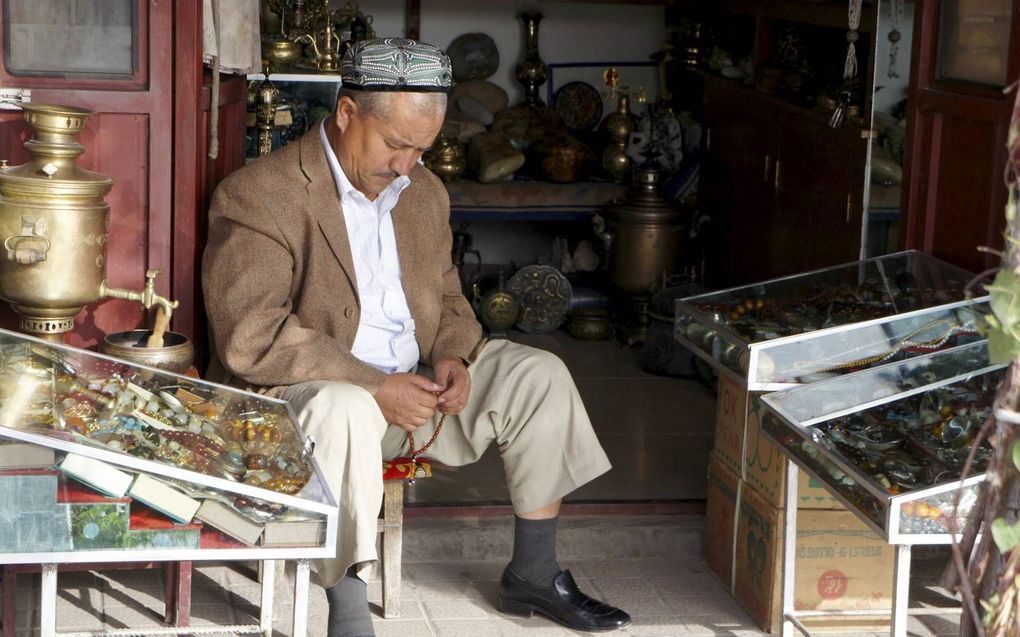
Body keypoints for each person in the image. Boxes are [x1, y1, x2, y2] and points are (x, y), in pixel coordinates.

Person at [202, 38, 630, 637]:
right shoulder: (260, 193)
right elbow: (252, 335)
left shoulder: (422, 192)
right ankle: (349, 610)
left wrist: (452, 353)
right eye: (396, 144)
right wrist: (377, 386)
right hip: (312, 409)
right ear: (348, 114)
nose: (407, 165)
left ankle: (534, 572)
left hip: (414, 394)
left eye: (422, 150)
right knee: (347, 405)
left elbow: (449, 297)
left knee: (538, 375)